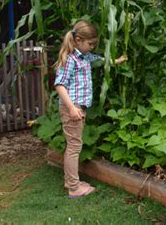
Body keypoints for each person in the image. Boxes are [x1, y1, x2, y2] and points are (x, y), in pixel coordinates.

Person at [53, 20, 127, 199]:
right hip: (73, 108)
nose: (92, 47)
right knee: (74, 146)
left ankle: (70, 181)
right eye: (90, 44)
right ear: (78, 40)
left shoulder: (84, 56)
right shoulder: (70, 59)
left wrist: (116, 60)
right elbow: (60, 85)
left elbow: (100, 59)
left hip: (77, 108)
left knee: (73, 144)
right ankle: (73, 187)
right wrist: (71, 108)